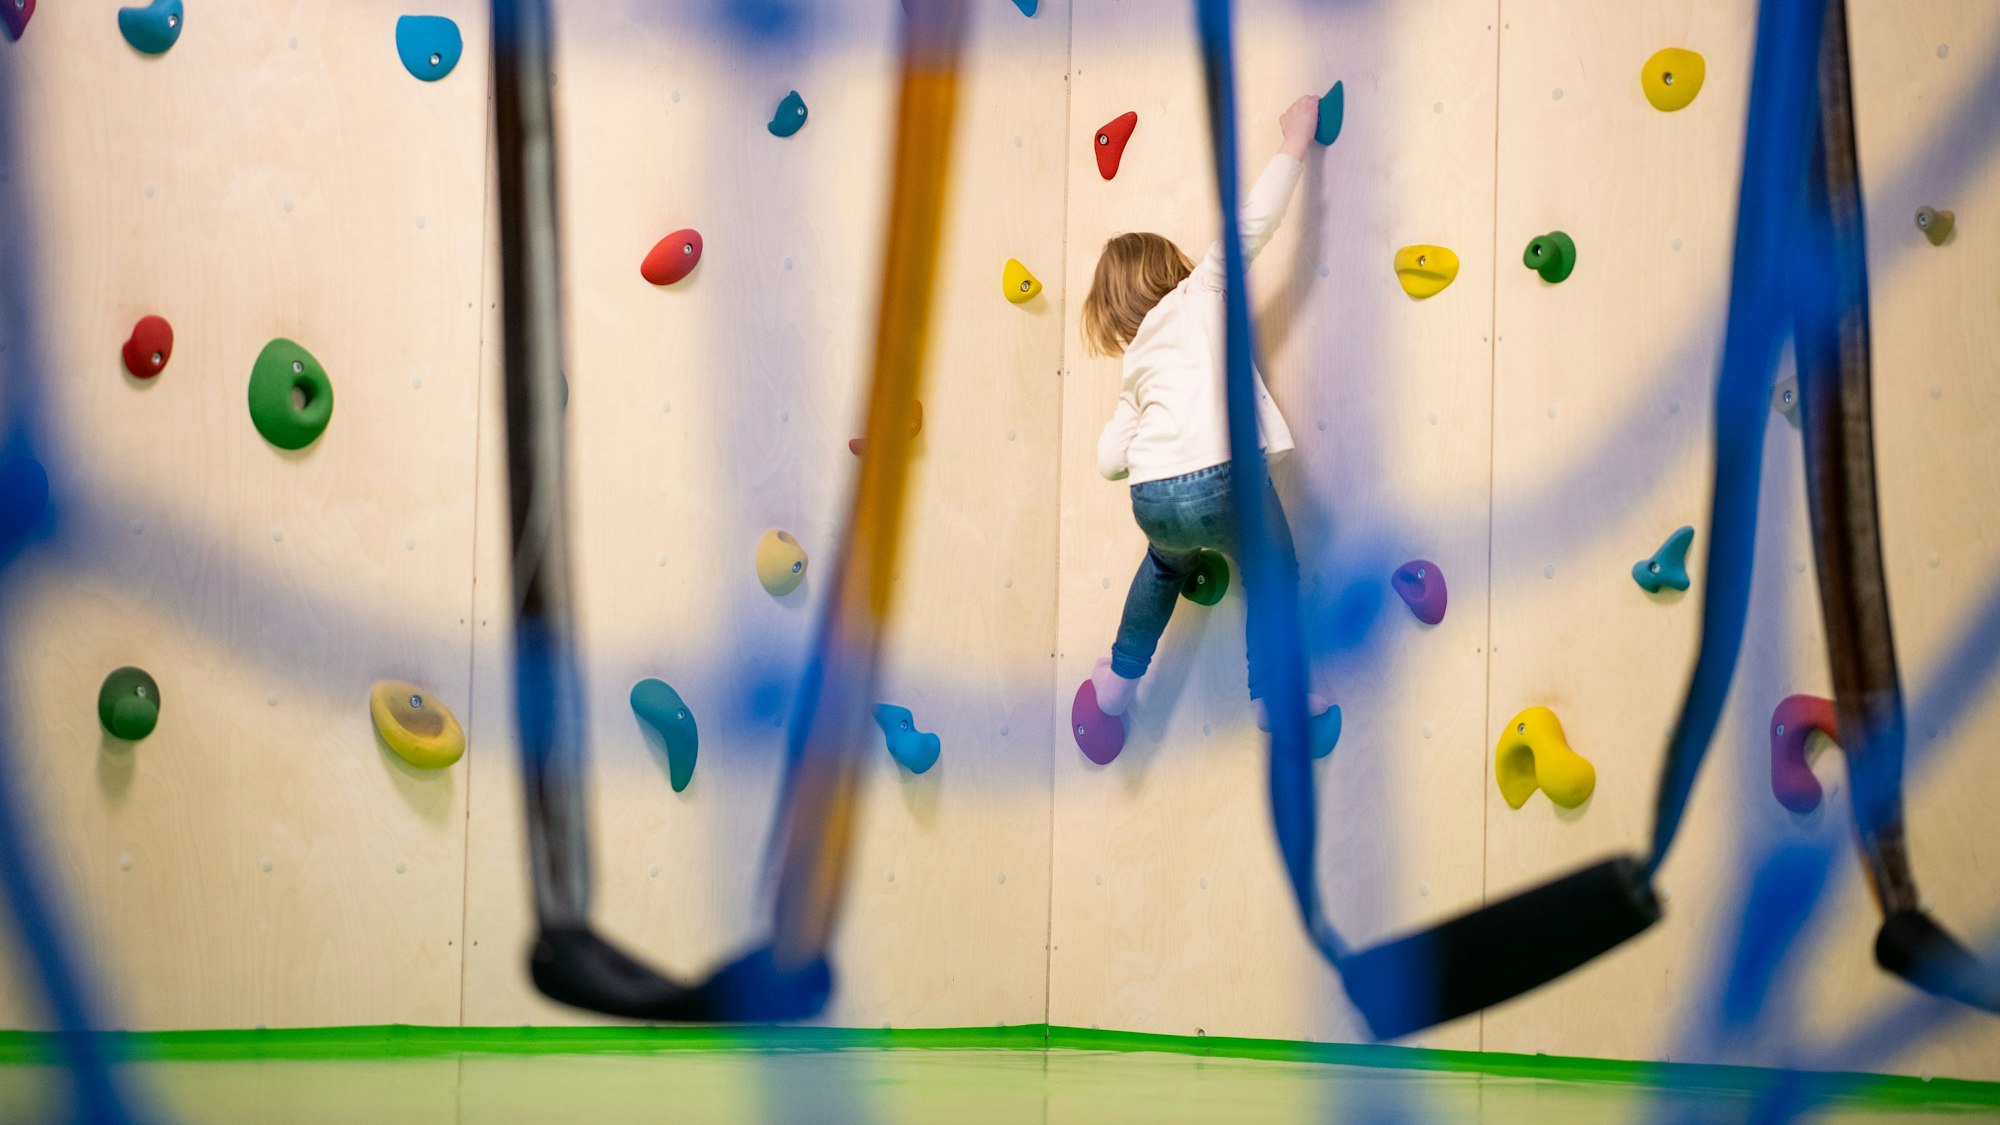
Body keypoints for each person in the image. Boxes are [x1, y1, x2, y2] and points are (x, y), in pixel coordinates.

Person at [1081, 93, 1331, 733]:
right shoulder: (1204, 290)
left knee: (1163, 566)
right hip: (1229, 478)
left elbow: (1109, 461)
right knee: (1270, 572)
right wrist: (1296, 138)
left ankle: (1115, 685)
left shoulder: (1135, 364)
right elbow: (1257, 221)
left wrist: (1149, 458)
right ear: (1173, 268)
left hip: (1154, 497)